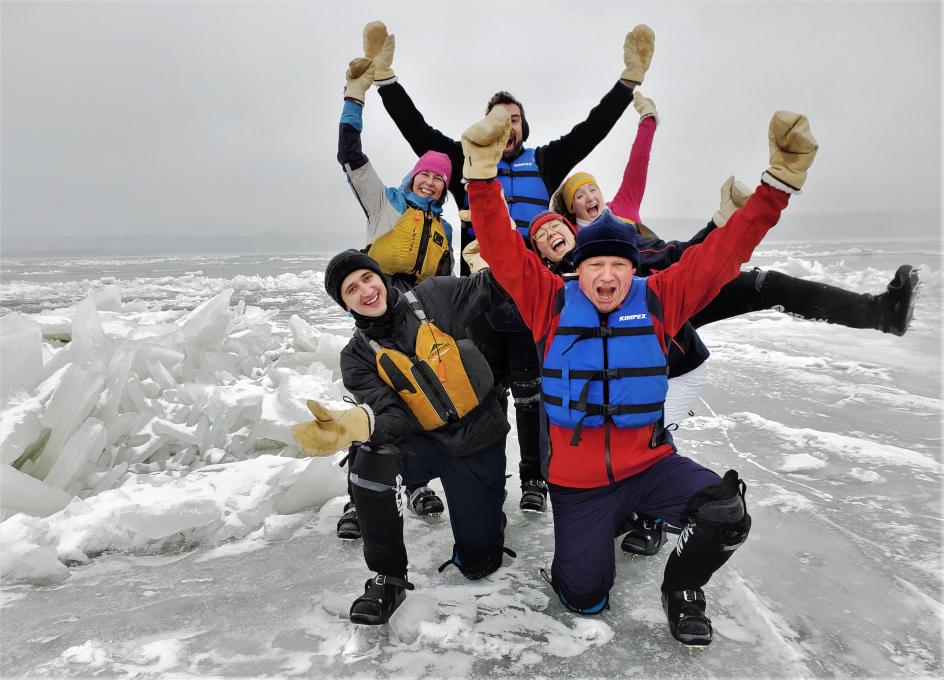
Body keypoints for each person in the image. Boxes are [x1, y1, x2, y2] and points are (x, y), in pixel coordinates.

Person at [463, 104, 819, 645]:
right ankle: (584, 556)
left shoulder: (659, 300)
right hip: (578, 486)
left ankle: (682, 588)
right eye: (594, 265)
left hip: (649, 467)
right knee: (585, 599)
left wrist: (778, 184)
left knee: (726, 512)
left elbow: (722, 255)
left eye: (619, 266)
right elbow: (501, 248)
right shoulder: (548, 303)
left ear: (633, 270)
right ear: (576, 268)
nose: (606, 276)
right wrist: (482, 176)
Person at [356, 20, 655, 512]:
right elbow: (416, 130)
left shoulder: (546, 162)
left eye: (515, 118)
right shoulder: (467, 164)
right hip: (482, 293)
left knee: (533, 391)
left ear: (524, 126)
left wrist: (628, 82)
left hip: (537, 292)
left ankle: (536, 479)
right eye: (499, 117)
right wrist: (386, 81)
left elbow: (592, 128)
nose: (508, 125)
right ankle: (475, 479)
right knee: (482, 388)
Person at [549, 95, 919, 337]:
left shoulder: (624, 212)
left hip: (680, 290)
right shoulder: (570, 244)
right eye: (578, 195)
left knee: (764, 284)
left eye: (591, 188)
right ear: (569, 209)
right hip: (640, 320)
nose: (588, 196)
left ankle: (879, 312)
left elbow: (643, 174)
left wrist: (648, 119)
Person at [293, 250, 514, 625]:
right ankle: (388, 577)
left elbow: (493, 287)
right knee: (370, 457)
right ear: (346, 306)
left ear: (380, 277)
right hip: (423, 444)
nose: (365, 290)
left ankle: (488, 511)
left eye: (367, 278)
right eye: (351, 290)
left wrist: (496, 250)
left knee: (478, 563)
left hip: (479, 439)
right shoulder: (358, 357)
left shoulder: (437, 295)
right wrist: (358, 425)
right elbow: (391, 417)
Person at [334, 50, 457, 538]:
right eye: (424, 173)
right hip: (374, 314)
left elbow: (448, 283)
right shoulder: (384, 203)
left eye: (438, 179)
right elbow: (350, 153)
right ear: (412, 177)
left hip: (419, 321)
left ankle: (415, 483)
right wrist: (355, 95)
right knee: (376, 406)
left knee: (421, 397)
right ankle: (357, 498)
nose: (429, 180)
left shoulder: (444, 228)